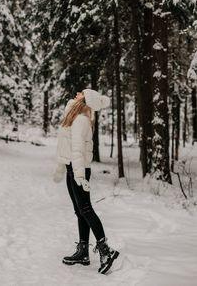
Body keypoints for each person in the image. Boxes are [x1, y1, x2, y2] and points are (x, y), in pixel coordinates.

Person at [53, 88, 119, 274]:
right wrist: (63, 168)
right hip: (71, 168)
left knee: (86, 209)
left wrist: (79, 176)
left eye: (81, 93)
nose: (77, 93)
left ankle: (107, 251)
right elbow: (65, 147)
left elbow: (77, 150)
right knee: (79, 211)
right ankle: (83, 252)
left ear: (86, 99)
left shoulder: (81, 120)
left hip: (78, 169)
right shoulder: (75, 116)